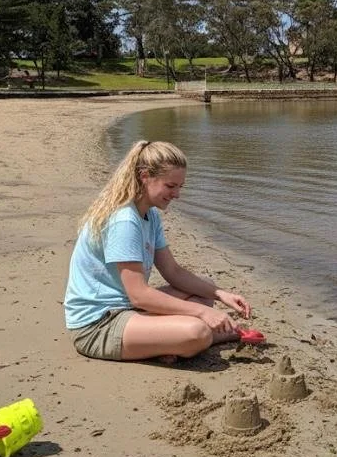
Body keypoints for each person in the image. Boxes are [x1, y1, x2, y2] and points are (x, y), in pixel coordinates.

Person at [64, 140, 252, 362]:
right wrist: (203, 313)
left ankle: (165, 342)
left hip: (127, 308)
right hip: (98, 326)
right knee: (197, 331)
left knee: (205, 288)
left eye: (180, 187)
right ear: (145, 176)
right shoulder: (123, 220)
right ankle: (188, 340)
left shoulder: (149, 214)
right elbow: (139, 294)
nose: (177, 194)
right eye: (170, 186)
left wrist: (221, 294)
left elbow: (173, 272)